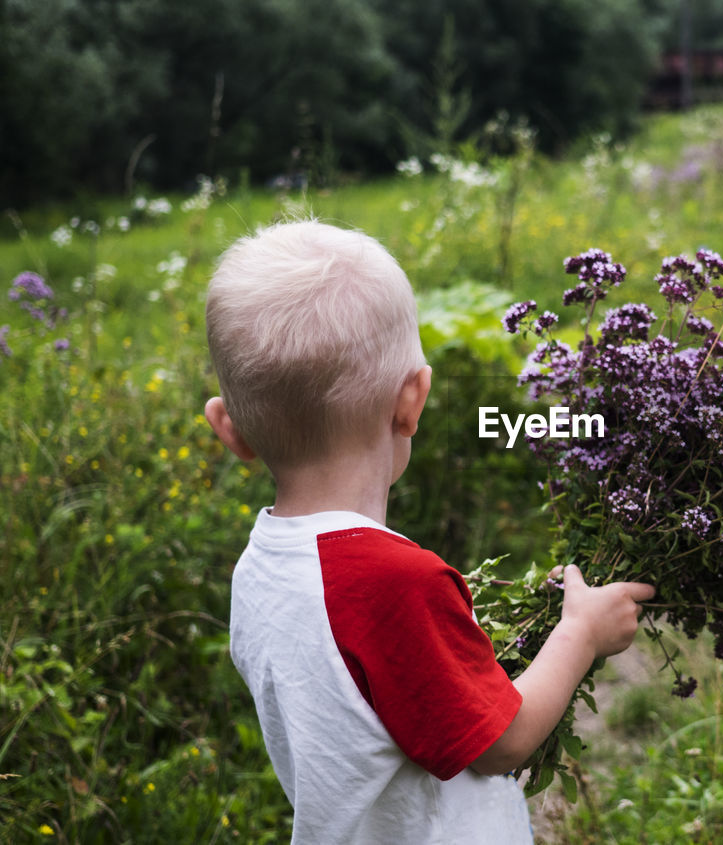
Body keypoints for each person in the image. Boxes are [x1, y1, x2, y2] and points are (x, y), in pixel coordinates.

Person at [203, 219, 654, 843]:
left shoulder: (258, 568)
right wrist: (580, 633)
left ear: (230, 429)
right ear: (412, 401)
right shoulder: (395, 583)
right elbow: (505, 744)